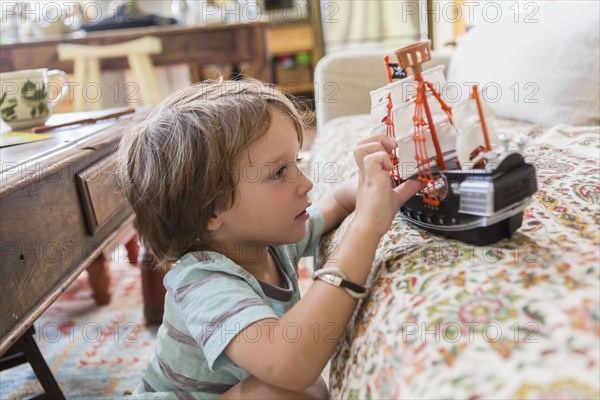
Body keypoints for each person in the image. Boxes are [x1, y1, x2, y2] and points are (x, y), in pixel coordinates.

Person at [116, 79, 420, 399]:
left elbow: (336, 205)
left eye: (297, 162)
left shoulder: (271, 240)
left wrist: (369, 185)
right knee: (291, 390)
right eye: (278, 173)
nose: (305, 183)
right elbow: (289, 362)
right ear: (211, 211)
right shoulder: (202, 282)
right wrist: (367, 227)